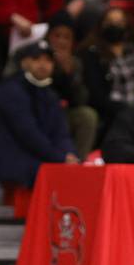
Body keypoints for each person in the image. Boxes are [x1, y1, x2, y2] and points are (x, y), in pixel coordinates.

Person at [0, 40, 79, 188]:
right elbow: (28, 134)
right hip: (14, 165)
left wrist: (69, 154)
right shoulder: (10, 91)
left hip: (38, 160)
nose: (43, 64)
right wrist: (61, 158)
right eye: (36, 59)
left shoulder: (51, 95)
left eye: (48, 60)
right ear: (24, 63)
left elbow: (61, 132)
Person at [79, 6, 134, 139]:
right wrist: (125, 110)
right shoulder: (91, 54)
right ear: (101, 25)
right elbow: (96, 95)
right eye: (109, 22)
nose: (114, 26)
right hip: (111, 115)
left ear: (127, 25)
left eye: (119, 22)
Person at [45, 11, 98, 160]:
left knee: (87, 115)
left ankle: (77, 164)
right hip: (36, 112)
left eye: (66, 37)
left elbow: (80, 100)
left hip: (62, 114)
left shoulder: (76, 63)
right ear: (48, 36)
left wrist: (68, 74)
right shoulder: (35, 56)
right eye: (57, 36)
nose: (61, 41)